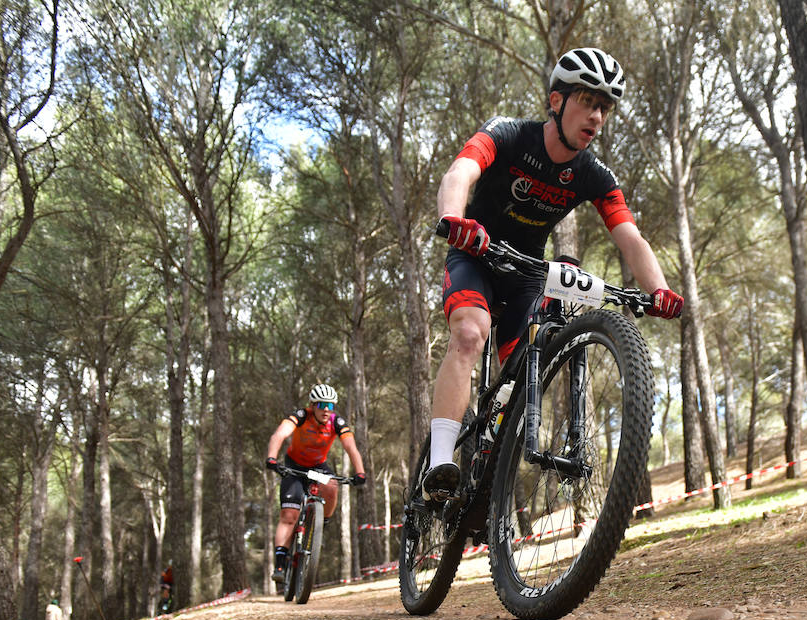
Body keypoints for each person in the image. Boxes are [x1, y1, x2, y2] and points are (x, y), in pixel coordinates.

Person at [423, 47, 684, 497]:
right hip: (476, 253)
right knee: (470, 333)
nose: (597, 116)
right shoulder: (508, 134)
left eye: (605, 107)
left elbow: (630, 237)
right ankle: (440, 460)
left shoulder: (593, 174)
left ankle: (492, 471)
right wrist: (456, 219)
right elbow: (461, 171)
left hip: (526, 270)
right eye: (588, 101)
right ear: (558, 100)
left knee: (526, 370)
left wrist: (658, 290)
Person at [264, 384, 367, 583]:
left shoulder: (337, 422)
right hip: (294, 468)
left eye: (330, 405)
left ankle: (322, 522)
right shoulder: (301, 416)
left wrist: (360, 472)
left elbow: (351, 447)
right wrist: (271, 458)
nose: (326, 409)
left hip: (317, 469)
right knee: (289, 515)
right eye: (321, 404)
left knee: (330, 486)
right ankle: (279, 562)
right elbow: (279, 435)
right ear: (313, 406)